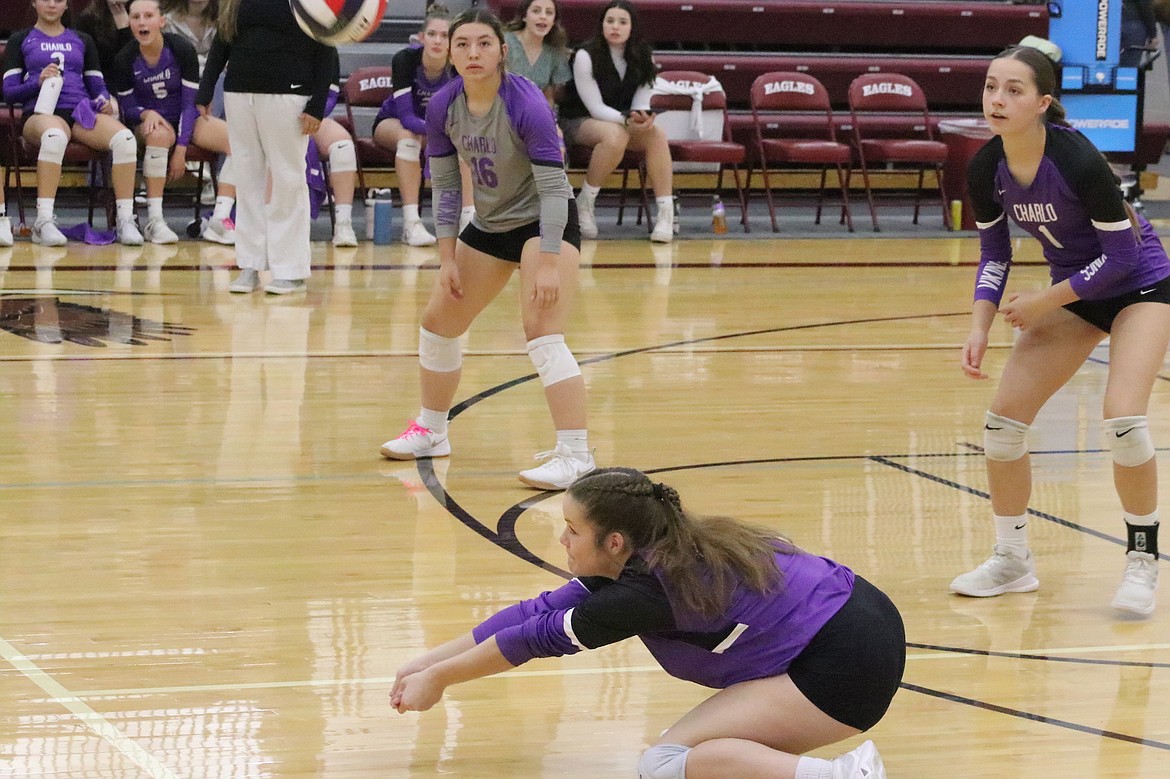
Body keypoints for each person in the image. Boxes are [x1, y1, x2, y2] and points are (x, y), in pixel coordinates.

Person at [391, 467, 904, 779]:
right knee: (687, 759)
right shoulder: (654, 552)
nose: (563, 541)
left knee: (666, 762)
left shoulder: (647, 591)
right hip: (860, 621)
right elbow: (533, 612)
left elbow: (534, 639)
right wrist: (427, 662)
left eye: (572, 530)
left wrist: (439, 680)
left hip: (848, 662)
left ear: (614, 541)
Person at [952, 45, 1170, 616]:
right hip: (1078, 290)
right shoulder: (985, 167)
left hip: (1139, 286)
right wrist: (979, 324)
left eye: (1014, 90)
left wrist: (1048, 299)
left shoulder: (1076, 160)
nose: (997, 100)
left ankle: (1142, 562)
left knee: (1123, 419)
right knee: (1002, 427)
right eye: (991, 86)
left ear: (1043, 103)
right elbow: (993, 253)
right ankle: (1012, 560)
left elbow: (1122, 257)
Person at [378, 9, 595, 491]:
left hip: (544, 222)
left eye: (483, 44)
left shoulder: (527, 103)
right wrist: (449, 257)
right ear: (449, 52)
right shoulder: (443, 105)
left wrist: (549, 260)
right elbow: (449, 184)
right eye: (462, 45)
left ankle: (576, 455)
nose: (472, 53)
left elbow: (556, 189)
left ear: (502, 51)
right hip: (493, 223)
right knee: (438, 324)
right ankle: (432, 431)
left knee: (542, 333)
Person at [196, 0, 332, 295]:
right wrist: (206, 88)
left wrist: (318, 105)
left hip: (289, 95)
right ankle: (250, 263)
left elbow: (326, 50)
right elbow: (223, 41)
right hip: (239, 93)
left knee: (288, 179)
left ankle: (290, 270)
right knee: (246, 179)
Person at [2, 0, 144, 247]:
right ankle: (44, 222)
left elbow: (96, 84)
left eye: (58, 0)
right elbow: (9, 92)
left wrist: (102, 100)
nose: (52, 4)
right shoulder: (21, 39)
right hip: (40, 112)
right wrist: (37, 81)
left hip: (80, 110)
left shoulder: (82, 39)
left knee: (125, 140)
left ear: (66, 5)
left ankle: (125, 220)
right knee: (55, 136)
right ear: (34, 3)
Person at [112, 0, 237, 245]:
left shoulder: (180, 49)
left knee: (238, 141)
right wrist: (145, 113)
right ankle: (154, 221)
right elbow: (127, 108)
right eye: (136, 17)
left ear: (162, 21)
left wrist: (181, 149)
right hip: (149, 124)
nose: (142, 22)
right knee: (157, 134)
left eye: (148, 16)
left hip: (184, 116)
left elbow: (190, 104)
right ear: (130, 23)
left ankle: (219, 219)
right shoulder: (125, 58)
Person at [558, 0, 673, 243]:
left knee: (657, 134)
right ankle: (585, 204)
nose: (615, 27)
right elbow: (594, 107)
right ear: (601, 25)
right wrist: (627, 121)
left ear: (632, 27)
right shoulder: (584, 55)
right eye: (610, 21)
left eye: (622, 22)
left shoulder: (643, 56)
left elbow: (642, 99)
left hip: (621, 122)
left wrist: (642, 117)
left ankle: (666, 213)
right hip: (579, 120)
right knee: (615, 135)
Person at [371, 4, 474, 247]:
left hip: (436, 130)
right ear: (421, 38)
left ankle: (469, 219)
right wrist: (443, 133)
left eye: (444, 36)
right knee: (409, 137)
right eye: (432, 34)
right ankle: (411, 223)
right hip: (392, 123)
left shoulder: (460, 66)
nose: (438, 41)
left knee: (465, 140)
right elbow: (407, 117)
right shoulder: (405, 60)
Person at [312, 49, 359, 248]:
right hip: (276, 114)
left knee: (343, 146)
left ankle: (343, 224)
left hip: (312, 116)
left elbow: (331, 95)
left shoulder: (326, 48)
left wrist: (311, 114)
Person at [503, 0, 571, 108]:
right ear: (524, 16)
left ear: (554, 21)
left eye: (549, 12)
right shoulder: (504, 42)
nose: (543, 16)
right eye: (536, 11)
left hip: (535, 114)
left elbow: (549, 98)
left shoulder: (555, 51)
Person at [75, 0, 134, 79]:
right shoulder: (87, 20)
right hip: (106, 80)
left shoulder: (146, 11)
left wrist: (125, 29)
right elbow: (97, 64)